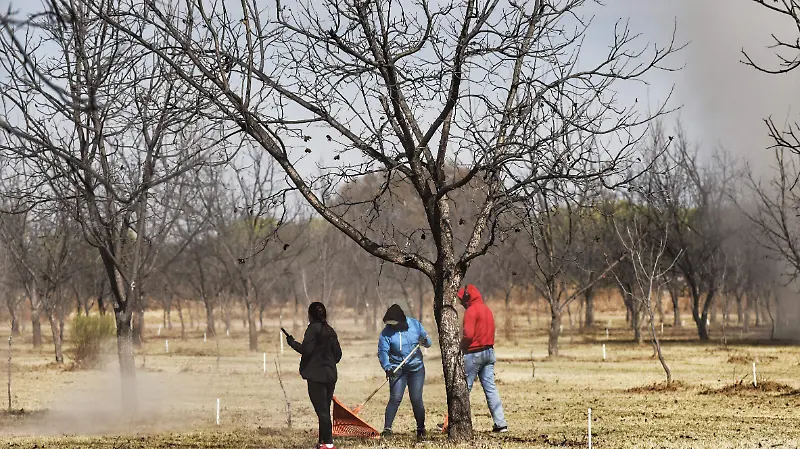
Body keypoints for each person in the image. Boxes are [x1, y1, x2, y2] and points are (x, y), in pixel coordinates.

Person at [285, 302, 343, 449]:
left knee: (322, 411)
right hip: (330, 375)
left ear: (310, 315)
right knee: (325, 410)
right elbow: (338, 355)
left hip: (317, 377)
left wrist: (292, 343)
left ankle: (328, 444)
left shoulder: (313, 329)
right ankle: (323, 442)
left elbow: (306, 350)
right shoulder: (330, 330)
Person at [457, 284, 508, 433]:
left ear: (468, 298)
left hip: (474, 354)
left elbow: (468, 335)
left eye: (462, 300)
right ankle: (501, 424)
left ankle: (451, 423)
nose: (461, 303)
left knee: (463, 389)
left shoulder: (471, 311)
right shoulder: (487, 309)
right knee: (491, 389)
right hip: (489, 353)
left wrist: (461, 348)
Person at [377, 304, 432, 440]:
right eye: (389, 325)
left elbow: (428, 342)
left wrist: (424, 341)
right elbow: (383, 352)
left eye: (394, 324)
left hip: (416, 369)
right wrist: (387, 367)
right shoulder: (386, 333)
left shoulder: (414, 325)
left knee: (416, 399)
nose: (392, 327)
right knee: (395, 398)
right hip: (397, 369)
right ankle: (387, 428)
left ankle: (421, 429)